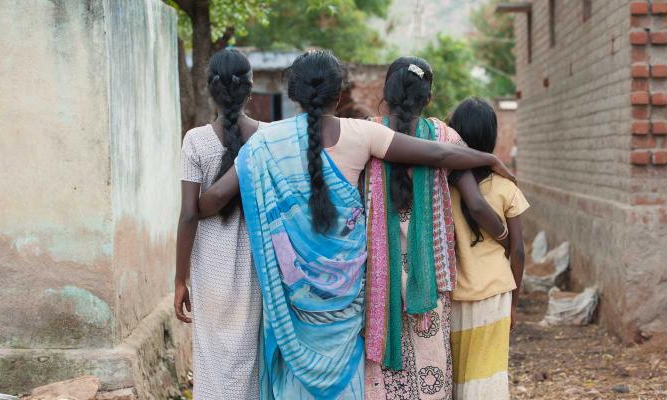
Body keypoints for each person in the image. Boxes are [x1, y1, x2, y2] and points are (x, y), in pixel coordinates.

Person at [198, 50, 515, 400]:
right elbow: (438, 154)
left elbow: (212, 200)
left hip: (293, 298)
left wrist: (190, 208)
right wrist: (489, 158)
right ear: (338, 95)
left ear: (293, 95)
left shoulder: (264, 144)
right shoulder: (361, 134)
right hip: (345, 302)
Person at [363, 57, 511, 400]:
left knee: (385, 366)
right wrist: (504, 237)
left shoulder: (368, 133)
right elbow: (475, 203)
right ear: (428, 97)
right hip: (430, 274)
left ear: (387, 91)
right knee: (431, 361)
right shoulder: (445, 137)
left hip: (378, 275)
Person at [173, 48, 263, 400]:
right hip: (255, 263)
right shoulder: (267, 137)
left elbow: (188, 214)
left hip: (209, 264)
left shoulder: (195, 140)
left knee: (211, 359)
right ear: (250, 88)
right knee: (250, 356)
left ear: (211, 89)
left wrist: (180, 279)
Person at [448, 98, 528, 400]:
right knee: (488, 380)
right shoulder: (507, 186)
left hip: (454, 294)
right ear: (492, 138)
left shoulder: (443, 184)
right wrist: (516, 303)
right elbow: (518, 251)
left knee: (459, 378)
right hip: (495, 293)